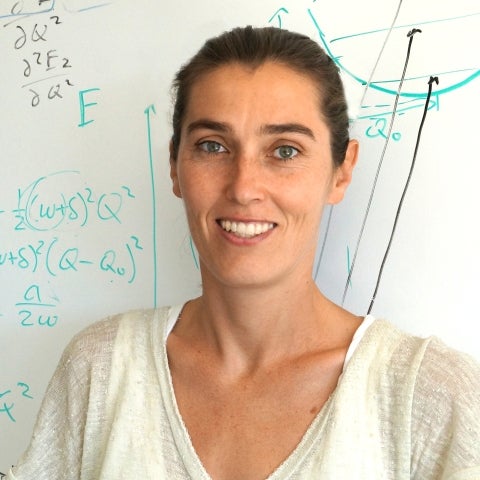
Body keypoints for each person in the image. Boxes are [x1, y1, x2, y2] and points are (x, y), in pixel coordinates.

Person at [7, 26, 480, 480]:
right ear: (174, 165)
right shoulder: (100, 370)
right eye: (213, 146)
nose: (244, 187)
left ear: (341, 170)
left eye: (285, 151)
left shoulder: (429, 394)